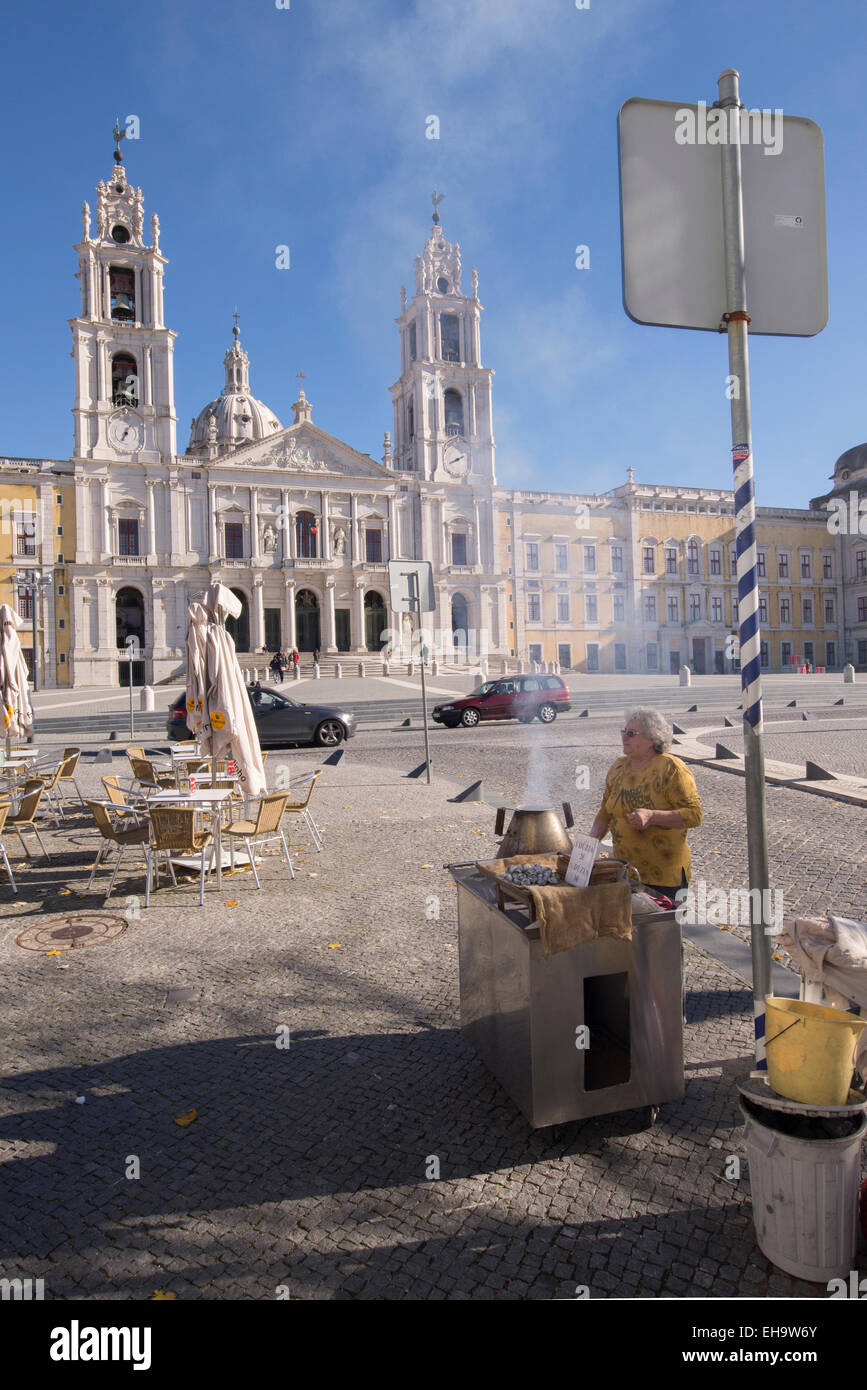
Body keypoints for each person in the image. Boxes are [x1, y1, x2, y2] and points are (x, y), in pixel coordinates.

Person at [588, 707, 703, 900]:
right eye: (623, 731)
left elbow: (694, 815)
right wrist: (588, 845)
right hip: (625, 871)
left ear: (652, 739)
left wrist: (652, 816)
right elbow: (606, 812)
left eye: (631, 733)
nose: (624, 737)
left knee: (660, 929)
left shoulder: (671, 768)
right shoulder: (618, 767)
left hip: (663, 878)